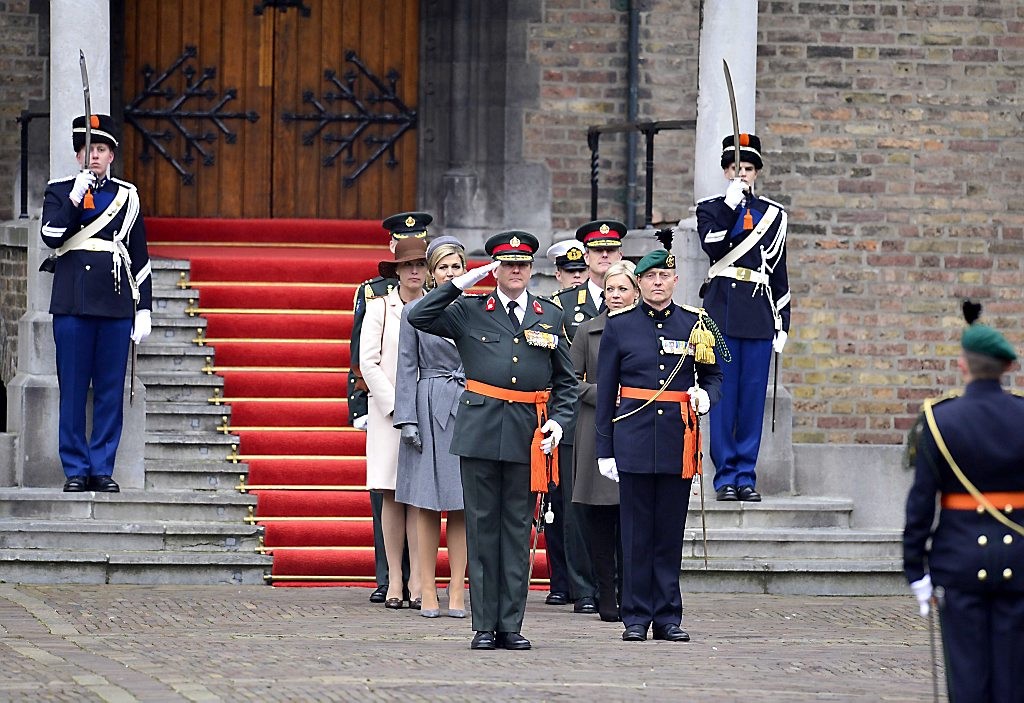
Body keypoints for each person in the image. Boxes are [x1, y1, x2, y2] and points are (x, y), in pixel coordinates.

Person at [408, 231, 578, 651]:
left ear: (532, 269)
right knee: (482, 528)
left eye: (523, 264)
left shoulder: (549, 314)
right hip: (480, 431)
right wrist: (460, 282)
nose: (516, 270)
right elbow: (419, 316)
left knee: (517, 531)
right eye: (507, 264)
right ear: (495, 269)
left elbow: (566, 381)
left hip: (527, 433)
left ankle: (511, 625)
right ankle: (484, 624)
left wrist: (559, 422)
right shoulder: (469, 309)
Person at [595, 245, 723, 643]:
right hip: (633, 438)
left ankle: (667, 616)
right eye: (649, 277)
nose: (657, 283)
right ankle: (635, 616)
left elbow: (715, 374)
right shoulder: (620, 326)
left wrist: (706, 396)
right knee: (635, 535)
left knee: (669, 534)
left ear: (675, 280)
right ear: (638, 283)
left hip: (676, 441)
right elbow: (606, 391)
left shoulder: (696, 322)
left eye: (664, 276)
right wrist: (604, 449)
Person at [903, 303, 1024, 703]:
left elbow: (922, 502)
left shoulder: (940, 419)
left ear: (962, 365)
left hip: (959, 563)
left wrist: (915, 570)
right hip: (1020, 563)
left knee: (967, 681)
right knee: (1014, 683)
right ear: (1006, 368)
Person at [40, 114, 152, 493]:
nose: (95, 156)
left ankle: (102, 467)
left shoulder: (127, 196)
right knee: (73, 391)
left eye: (101, 149)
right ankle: (75, 468)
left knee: (109, 392)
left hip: (115, 304)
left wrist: (144, 308)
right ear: (78, 156)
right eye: (88, 150)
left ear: (111, 156)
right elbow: (51, 236)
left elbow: (139, 255)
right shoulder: (60, 191)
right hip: (72, 304)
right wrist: (75, 198)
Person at [695, 133, 790, 503]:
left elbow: (779, 272)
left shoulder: (774, 215)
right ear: (725, 172)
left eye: (748, 168)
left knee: (751, 401)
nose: (742, 174)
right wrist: (729, 207)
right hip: (721, 312)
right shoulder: (711, 209)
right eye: (736, 168)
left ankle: (746, 475)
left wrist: (783, 321)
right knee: (723, 399)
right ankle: (725, 477)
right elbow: (712, 245)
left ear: (757, 172)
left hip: (758, 314)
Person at [544, 221, 626, 611]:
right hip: (578, 419)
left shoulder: (636, 302)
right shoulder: (563, 305)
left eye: (611, 249)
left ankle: (615, 584)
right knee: (575, 506)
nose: (604, 256)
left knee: (618, 503)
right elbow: (560, 372)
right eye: (597, 251)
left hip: (626, 420)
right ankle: (581, 588)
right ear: (587, 255)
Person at [349, 212, 428, 602]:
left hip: (428, 413)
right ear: (396, 269)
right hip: (390, 414)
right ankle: (394, 578)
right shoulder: (379, 305)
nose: (414, 271)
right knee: (392, 494)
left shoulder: (438, 305)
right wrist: (397, 407)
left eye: (420, 264)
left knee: (420, 499)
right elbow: (367, 361)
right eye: (407, 265)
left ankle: (419, 581)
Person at [393, 236, 469, 619]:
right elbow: (406, 366)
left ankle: (456, 589)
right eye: (443, 267)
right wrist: (406, 418)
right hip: (427, 404)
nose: (450, 273)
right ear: (431, 273)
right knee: (425, 502)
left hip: (468, 404)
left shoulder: (478, 307)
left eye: (456, 266)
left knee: (461, 503)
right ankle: (426, 588)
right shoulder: (414, 311)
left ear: (466, 270)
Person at [570, 260, 640, 623]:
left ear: (636, 292)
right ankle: (604, 593)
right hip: (597, 424)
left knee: (632, 515)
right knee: (599, 515)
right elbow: (568, 381)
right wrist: (603, 394)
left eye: (622, 289)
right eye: (610, 289)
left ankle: (631, 591)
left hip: (637, 424)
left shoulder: (646, 328)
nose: (615, 295)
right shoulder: (588, 330)